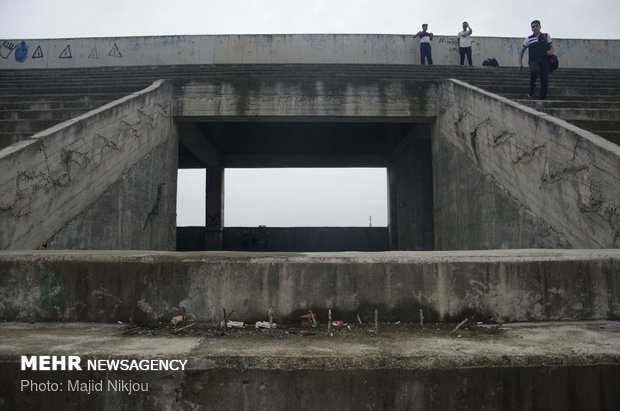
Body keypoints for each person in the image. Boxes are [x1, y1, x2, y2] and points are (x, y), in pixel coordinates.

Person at [518, 20, 555, 99]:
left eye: (536, 26)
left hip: (545, 61)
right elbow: (522, 51)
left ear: (540, 26)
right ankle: (531, 91)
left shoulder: (546, 36)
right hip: (533, 60)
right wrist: (520, 62)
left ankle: (542, 100)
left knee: (544, 80)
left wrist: (551, 51)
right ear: (531, 28)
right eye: (533, 27)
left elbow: (551, 46)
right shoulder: (529, 39)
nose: (535, 28)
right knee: (534, 71)